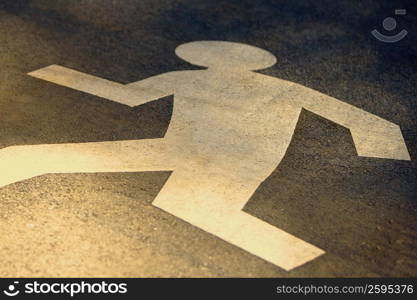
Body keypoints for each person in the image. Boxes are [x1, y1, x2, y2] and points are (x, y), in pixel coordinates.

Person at [5, 41, 408, 270]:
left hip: (225, 159)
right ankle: (316, 268)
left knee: (198, 208)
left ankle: (318, 269)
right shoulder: (279, 87)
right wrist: (386, 158)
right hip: (202, 153)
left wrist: (59, 71)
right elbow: (372, 126)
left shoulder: (201, 79)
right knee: (37, 157)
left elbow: (124, 96)